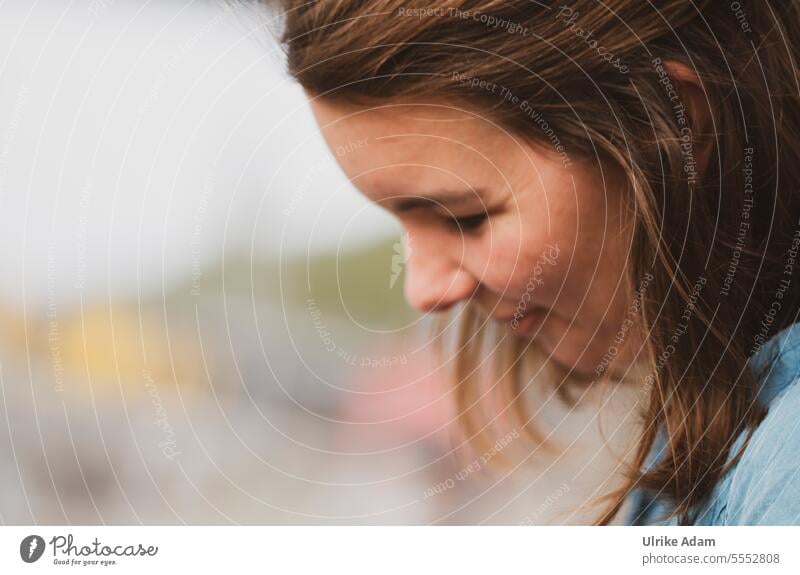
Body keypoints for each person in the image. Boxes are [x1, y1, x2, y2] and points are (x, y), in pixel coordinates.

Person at [272, 0, 800, 525]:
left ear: (675, 126)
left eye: (466, 217)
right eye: (402, 223)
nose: (424, 289)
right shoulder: (729, 410)